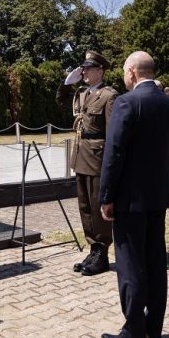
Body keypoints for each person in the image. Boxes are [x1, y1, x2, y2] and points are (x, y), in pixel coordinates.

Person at [98, 51, 169, 338]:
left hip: (130, 199)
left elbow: (114, 153)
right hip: (157, 194)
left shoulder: (127, 102)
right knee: (155, 262)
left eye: (123, 71)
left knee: (130, 264)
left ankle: (133, 332)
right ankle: (154, 330)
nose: (123, 77)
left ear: (132, 72)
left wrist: (106, 196)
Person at [56, 50, 118, 275]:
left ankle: (102, 251)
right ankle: (93, 247)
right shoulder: (82, 93)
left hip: (97, 157)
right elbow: (60, 100)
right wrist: (66, 83)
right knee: (84, 206)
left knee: (96, 204)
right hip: (81, 154)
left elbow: (113, 132)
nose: (84, 72)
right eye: (83, 68)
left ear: (100, 70)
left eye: (89, 68)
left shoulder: (109, 95)